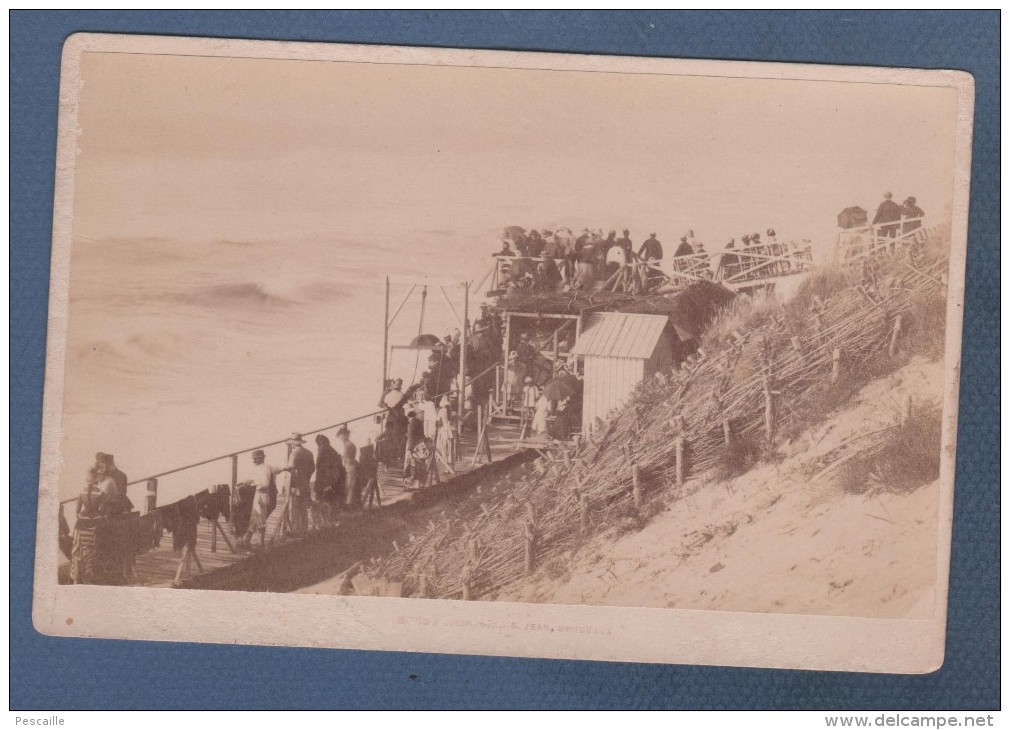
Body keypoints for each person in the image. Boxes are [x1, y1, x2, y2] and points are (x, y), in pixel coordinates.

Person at [243, 449, 284, 549]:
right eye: (253, 459)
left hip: (261, 496)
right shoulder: (267, 467)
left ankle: (261, 543)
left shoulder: (264, 469)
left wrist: (251, 486)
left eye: (256, 459)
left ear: (262, 458)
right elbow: (278, 469)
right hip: (260, 496)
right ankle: (246, 540)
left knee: (260, 519)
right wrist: (285, 468)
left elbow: (265, 484)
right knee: (254, 518)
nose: (254, 461)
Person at [286, 433, 315, 535]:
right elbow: (312, 468)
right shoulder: (309, 452)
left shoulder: (294, 453)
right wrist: (306, 477)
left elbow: (291, 467)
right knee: (304, 508)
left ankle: (295, 530)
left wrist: (282, 469)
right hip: (306, 484)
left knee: (295, 508)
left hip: (297, 486)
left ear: (293, 443)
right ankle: (304, 529)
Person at [313, 434, 343, 527]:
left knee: (320, 499)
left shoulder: (322, 449)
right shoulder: (332, 450)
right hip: (334, 479)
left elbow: (317, 465)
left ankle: (322, 521)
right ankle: (333, 520)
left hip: (325, 480)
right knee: (331, 500)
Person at [335, 426, 360, 511]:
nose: (340, 437)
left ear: (345, 435)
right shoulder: (347, 443)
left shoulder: (348, 445)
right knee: (348, 486)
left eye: (341, 435)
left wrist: (340, 458)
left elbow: (346, 456)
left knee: (349, 487)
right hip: (350, 466)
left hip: (350, 467)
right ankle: (348, 504)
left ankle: (348, 505)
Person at [359, 438, 381, 509]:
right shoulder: (367, 453)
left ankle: (366, 505)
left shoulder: (366, 454)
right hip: (368, 475)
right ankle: (368, 505)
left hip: (369, 475)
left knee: (370, 485)